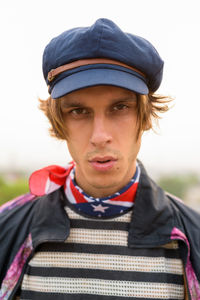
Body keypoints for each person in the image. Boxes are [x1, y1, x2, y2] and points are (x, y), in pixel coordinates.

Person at [0, 18, 200, 300]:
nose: (100, 135)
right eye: (79, 112)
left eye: (120, 107)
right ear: (60, 123)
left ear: (143, 118)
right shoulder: (9, 229)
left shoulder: (192, 237)